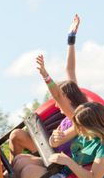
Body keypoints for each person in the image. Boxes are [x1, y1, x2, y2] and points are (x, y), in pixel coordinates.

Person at [8, 14, 83, 160]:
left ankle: (12, 173)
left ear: (69, 98)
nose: (56, 103)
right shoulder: (67, 114)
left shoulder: (77, 117)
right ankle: (8, 175)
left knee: (21, 159)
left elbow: (58, 96)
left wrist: (45, 75)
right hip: (46, 145)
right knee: (16, 135)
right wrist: (71, 39)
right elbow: (70, 70)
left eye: (60, 98)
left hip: (54, 157)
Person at [19, 102, 104, 178]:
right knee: (21, 160)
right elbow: (54, 143)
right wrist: (54, 138)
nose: (78, 129)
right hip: (62, 168)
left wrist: (68, 161)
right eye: (77, 125)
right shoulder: (81, 128)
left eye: (81, 126)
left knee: (28, 173)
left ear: (94, 125)